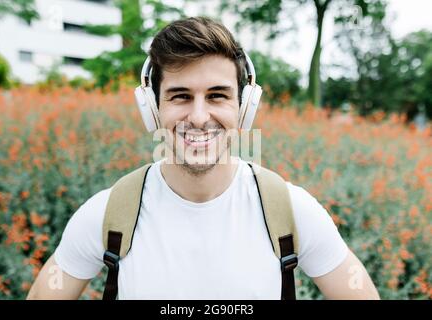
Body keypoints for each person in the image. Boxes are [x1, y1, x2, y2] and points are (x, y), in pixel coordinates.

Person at [27, 16, 379, 300]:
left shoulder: (292, 213)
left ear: (244, 108)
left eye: (217, 95)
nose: (198, 116)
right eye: (180, 96)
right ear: (152, 108)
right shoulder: (108, 215)